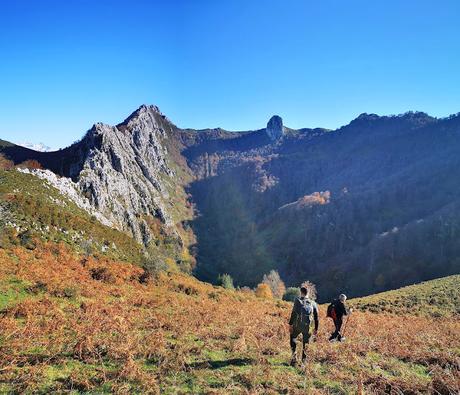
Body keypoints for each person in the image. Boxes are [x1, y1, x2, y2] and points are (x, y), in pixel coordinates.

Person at [288, 285, 319, 366]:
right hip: (308, 327)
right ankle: (303, 363)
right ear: (308, 293)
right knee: (306, 344)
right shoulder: (313, 303)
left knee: (293, 337)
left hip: (297, 326)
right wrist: (316, 329)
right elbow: (316, 318)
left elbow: (293, 314)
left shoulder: (298, 301)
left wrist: (290, 324)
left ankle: (294, 358)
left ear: (301, 292)